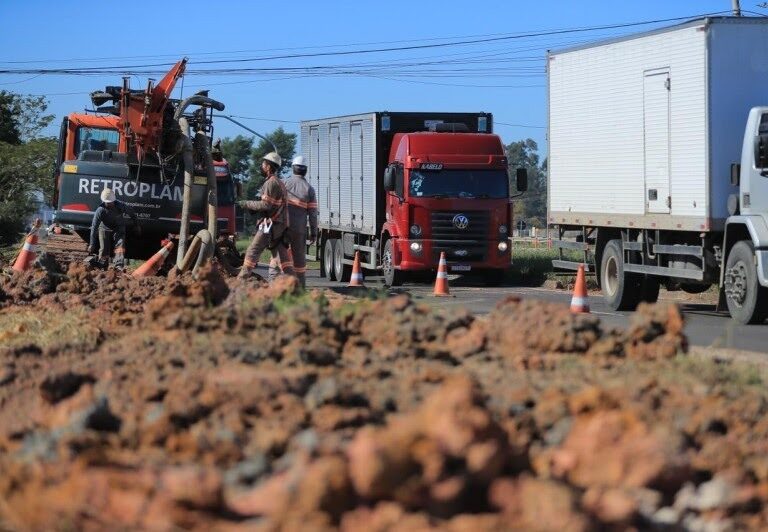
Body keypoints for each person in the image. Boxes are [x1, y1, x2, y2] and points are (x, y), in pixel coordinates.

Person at [237, 152, 295, 281]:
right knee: (282, 258)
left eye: (263, 164)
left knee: (253, 251)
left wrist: (245, 204)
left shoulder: (271, 183)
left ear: (268, 167)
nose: (261, 166)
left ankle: (241, 280)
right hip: (279, 225)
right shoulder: (277, 182)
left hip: (270, 225)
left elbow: (266, 205)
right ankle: (292, 284)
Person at [283, 155, 318, 288]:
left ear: (293, 168)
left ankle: (279, 285)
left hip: (283, 228)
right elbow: (313, 214)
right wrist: (314, 233)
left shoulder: (284, 184)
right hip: (299, 230)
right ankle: (301, 288)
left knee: (281, 258)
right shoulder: (309, 189)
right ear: (305, 170)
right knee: (299, 262)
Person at [87, 188, 139, 270]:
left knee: (120, 246)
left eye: (109, 202)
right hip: (104, 228)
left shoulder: (121, 206)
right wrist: (92, 244)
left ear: (113, 200)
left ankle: (118, 266)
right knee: (104, 248)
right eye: (106, 202)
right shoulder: (100, 210)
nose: (108, 204)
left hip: (119, 227)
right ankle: (103, 264)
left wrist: (136, 225)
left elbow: (132, 213)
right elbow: (94, 227)